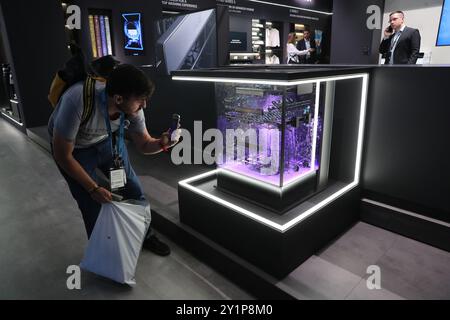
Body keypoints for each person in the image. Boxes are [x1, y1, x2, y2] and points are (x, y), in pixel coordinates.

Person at [48, 64, 180, 256]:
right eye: (141, 100)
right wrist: (93, 188)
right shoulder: (77, 100)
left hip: (107, 142)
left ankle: (145, 235)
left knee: (134, 190)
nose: (144, 105)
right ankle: (105, 257)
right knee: (92, 204)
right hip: (74, 150)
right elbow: (62, 155)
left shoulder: (133, 108)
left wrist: (162, 143)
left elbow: (144, 144)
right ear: (118, 98)